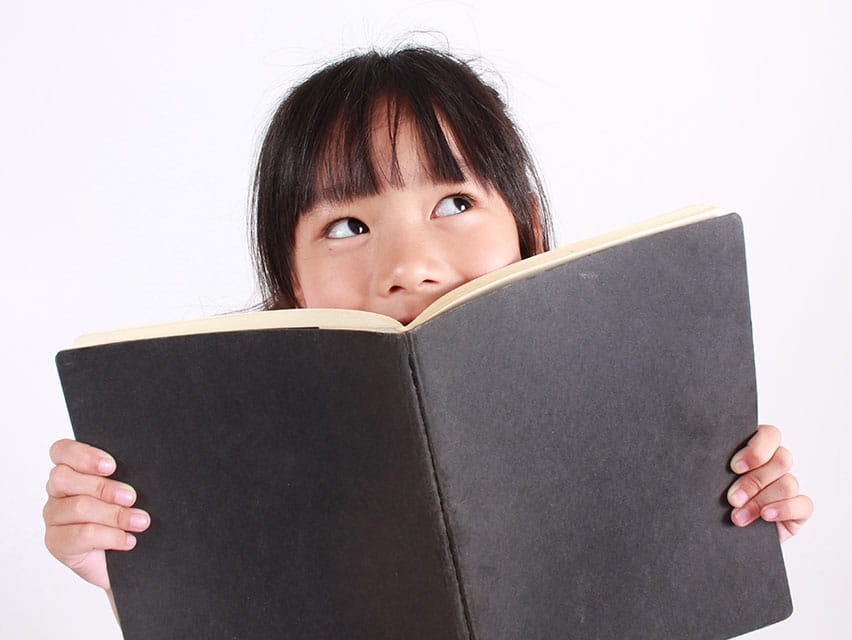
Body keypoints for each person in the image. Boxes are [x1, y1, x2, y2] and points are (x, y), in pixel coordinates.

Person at [43, 46, 813, 603]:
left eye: (454, 204)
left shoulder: (623, 416)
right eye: (347, 224)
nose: (409, 265)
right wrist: (132, 575)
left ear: (526, 223)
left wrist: (727, 533)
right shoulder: (237, 469)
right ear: (289, 277)